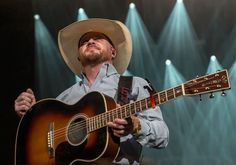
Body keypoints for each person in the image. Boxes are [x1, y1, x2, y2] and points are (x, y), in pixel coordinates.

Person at [14, 18, 169, 164]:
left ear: (113, 51)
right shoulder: (65, 96)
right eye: (84, 41)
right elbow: (43, 139)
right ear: (78, 57)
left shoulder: (134, 84)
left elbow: (163, 136)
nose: (90, 41)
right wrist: (32, 114)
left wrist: (136, 125)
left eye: (98, 38)